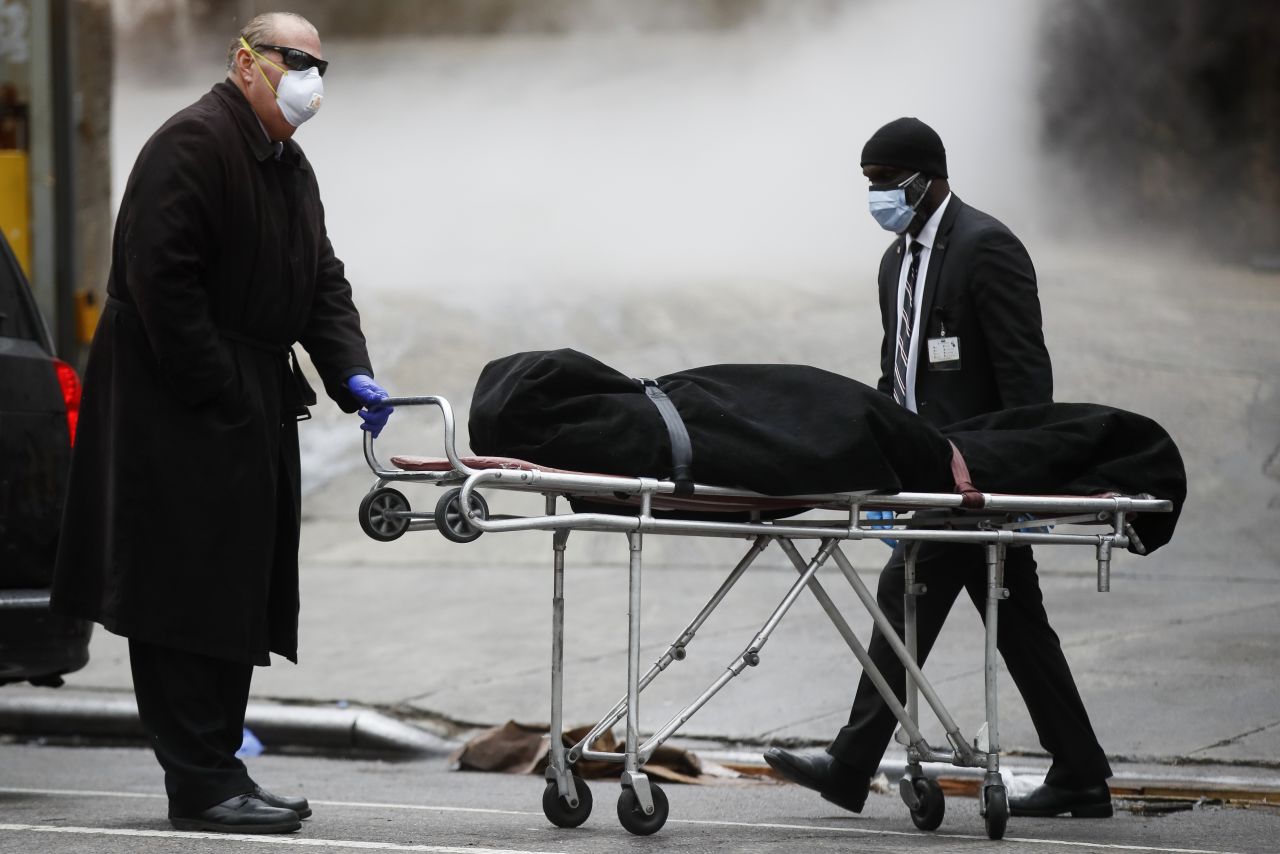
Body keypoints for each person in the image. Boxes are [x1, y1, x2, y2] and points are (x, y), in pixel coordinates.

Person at [51, 12, 393, 835]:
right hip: (178, 403)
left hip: (244, 398)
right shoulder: (193, 143)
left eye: (320, 64)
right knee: (182, 591)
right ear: (247, 63)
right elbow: (158, 279)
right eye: (294, 60)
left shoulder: (286, 164)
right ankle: (200, 781)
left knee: (235, 588)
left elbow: (321, 277)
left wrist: (351, 371)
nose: (311, 77)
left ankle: (217, 770)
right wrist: (220, 388)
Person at [763, 117, 1114, 819]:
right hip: (926, 473)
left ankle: (850, 764)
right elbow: (900, 377)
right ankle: (1079, 772)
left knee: (904, 597)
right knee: (1017, 623)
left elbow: (1025, 376)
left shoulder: (987, 248)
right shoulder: (898, 262)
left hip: (977, 478)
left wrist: (1017, 479)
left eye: (886, 184)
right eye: (869, 185)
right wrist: (881, 461)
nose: (878, 197)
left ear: (926, 178)